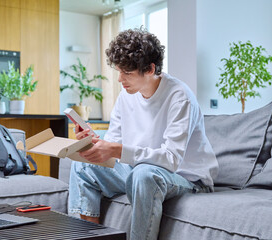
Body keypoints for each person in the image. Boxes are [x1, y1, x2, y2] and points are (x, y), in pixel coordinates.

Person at [68, 28, 219, 240]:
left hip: (187, 178)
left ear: (150, 69)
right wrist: (95, 142)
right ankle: (88, 237)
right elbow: (114, 144)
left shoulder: (179, 97)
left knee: (144, 174)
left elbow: (171, 160)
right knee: (82, 164)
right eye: (119, 71)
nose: (120, 79)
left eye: (127, 73)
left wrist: (117, 150)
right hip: (138, 169)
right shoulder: (125, 96)